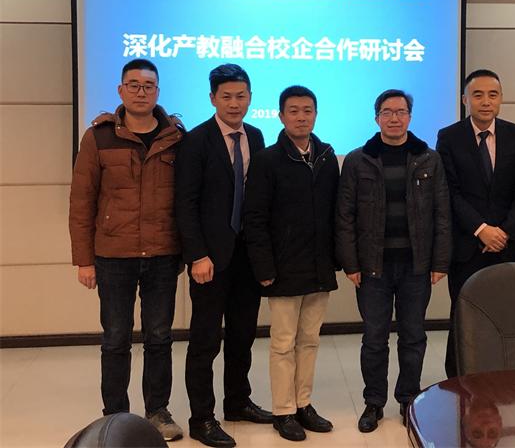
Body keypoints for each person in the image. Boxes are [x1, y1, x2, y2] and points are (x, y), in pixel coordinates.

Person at [68, 58, 184, 441]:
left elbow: (188, 199)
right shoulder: (98, 137)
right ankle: (115, 415)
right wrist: (84, 260)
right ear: (121, 90)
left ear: (158, 92)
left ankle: (157, 412)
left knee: (159, 337)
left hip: (163, 253)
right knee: (116, 338)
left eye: (148, 85)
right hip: (113, 255)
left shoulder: (175, 137)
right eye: (133, 85)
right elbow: (81, 201)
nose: (140, 91)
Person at [336, 89, 451, 432]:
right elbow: (345, 216)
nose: (394, 118)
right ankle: (374, 402)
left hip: (417, 265)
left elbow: (442, 213)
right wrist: (350, 263)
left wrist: (440, 262)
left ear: (410, 117)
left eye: (401, 112)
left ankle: (408, 398)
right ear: (377, 118)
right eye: (387, 112)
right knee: (374, 338)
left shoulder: (429, 159)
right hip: (373, 267)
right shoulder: (358, 160)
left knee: (413, 336)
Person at [175, 64, 272, 448]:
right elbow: (185, 203)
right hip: (210, 260)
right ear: (213, 98)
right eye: (227, 96)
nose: (234, 103)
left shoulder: (257, 136)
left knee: (242, 336)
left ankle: (237, 402)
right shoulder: (196, 140)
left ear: (250, 98)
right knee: (204, 341)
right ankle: (202, 418)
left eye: (241, 96)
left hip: (247, 256)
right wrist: (197, 255)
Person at [243, 86, 339, 442]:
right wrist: (264, 268)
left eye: (307, 110)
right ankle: (283, 411)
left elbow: (335, 213)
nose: (301, 117)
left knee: (309, 340)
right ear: (281, 116)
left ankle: (303, 404)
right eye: (294, 111)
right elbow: (255, 218)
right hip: (282, 268)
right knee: (283, 343)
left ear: (316, 114)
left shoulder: (327, 156)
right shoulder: (267, 160)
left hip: (319, 266)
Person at [436, 69, 515, 378]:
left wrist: (504, 231)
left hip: (506, 243)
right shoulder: (449, 137)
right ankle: (458, 380)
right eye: (478, 95)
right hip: (467, 244)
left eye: (493, 95)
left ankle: (501, 378)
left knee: (505, 313)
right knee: (464, 315)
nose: (486, 101)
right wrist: (481, 229)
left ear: (501, 99)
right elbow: (450, 191)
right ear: (465, 100)